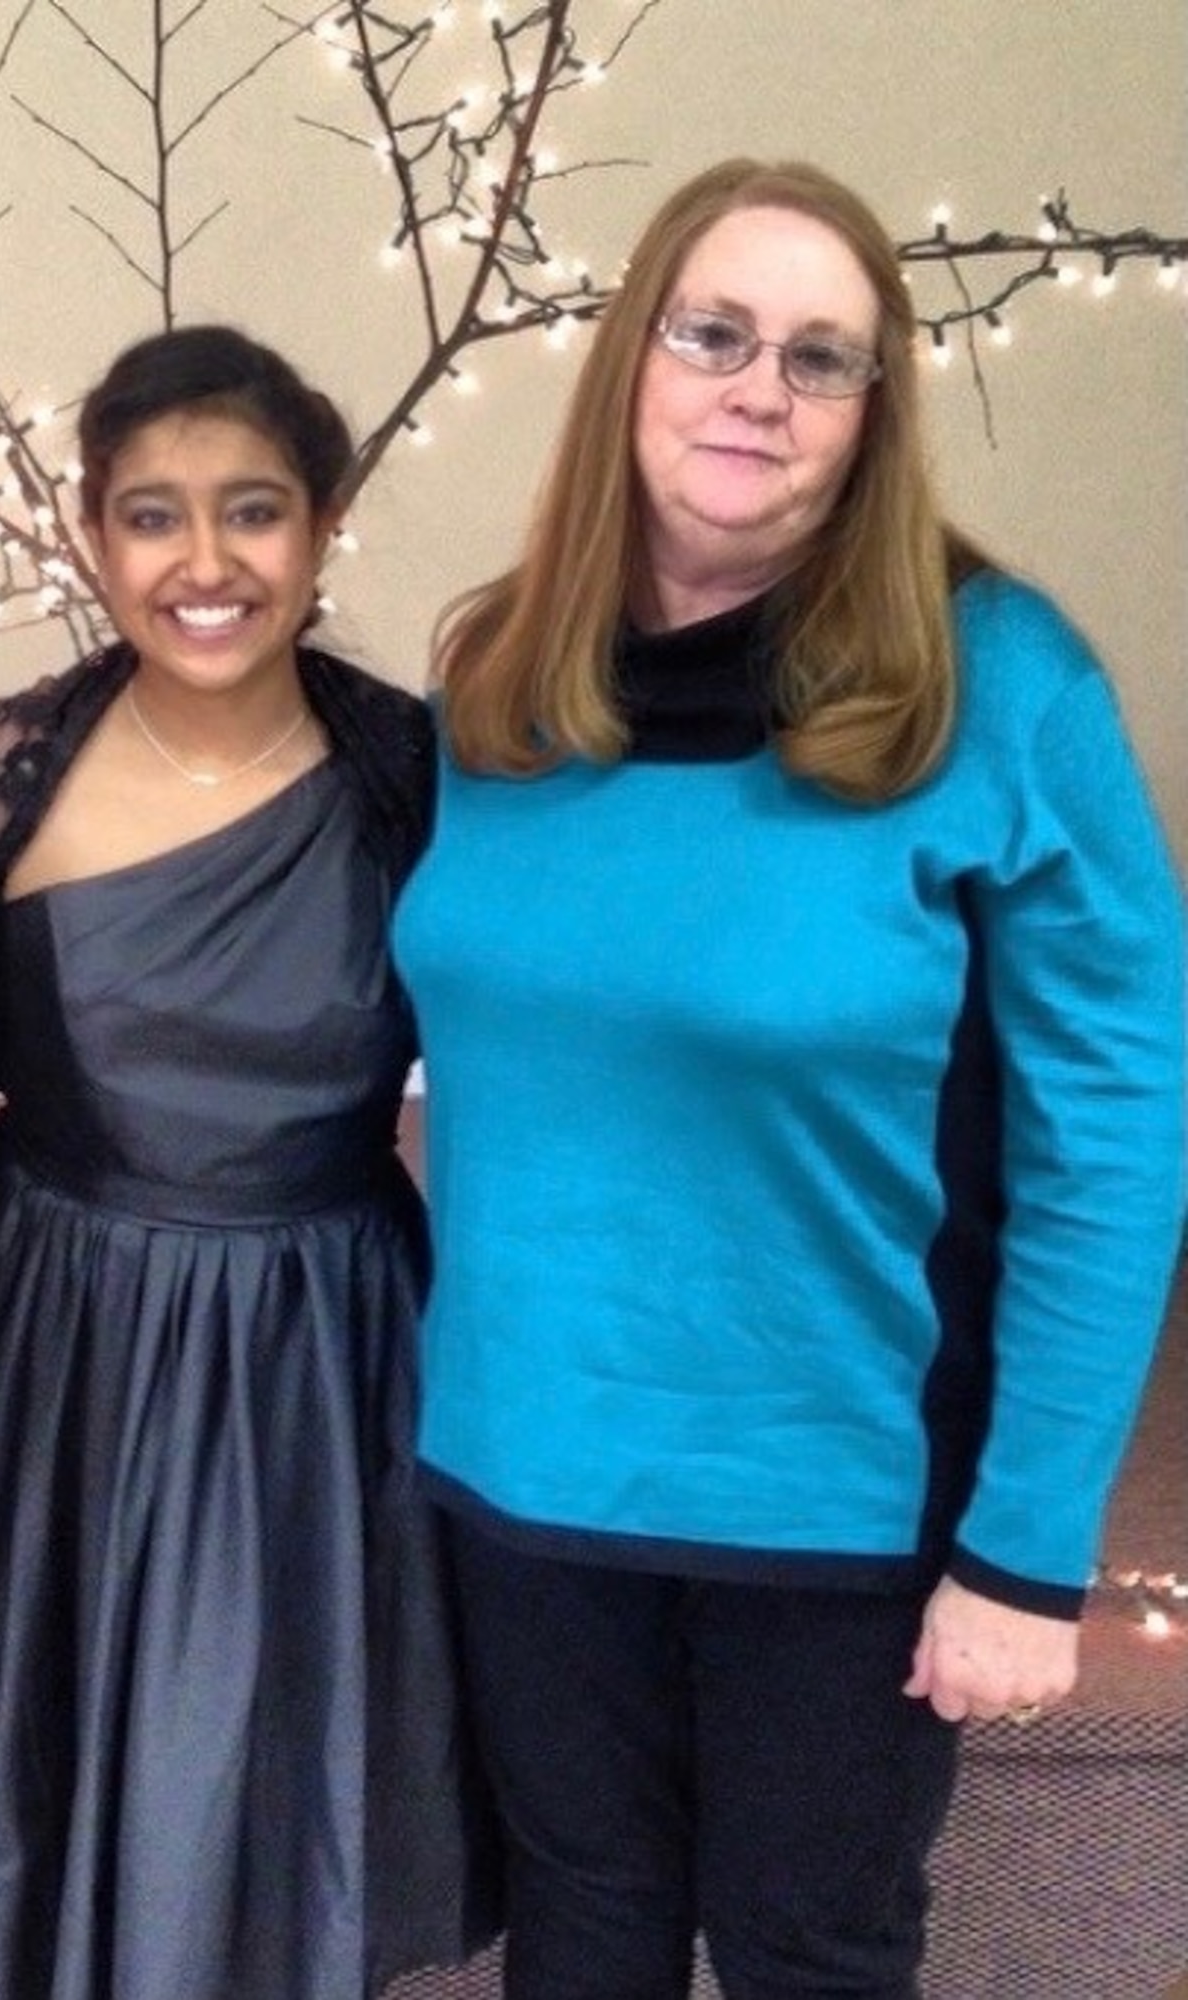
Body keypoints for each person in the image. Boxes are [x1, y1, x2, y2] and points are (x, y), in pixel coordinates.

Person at [392, 157, 1185, 1998]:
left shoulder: (998, 684)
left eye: (820, 359)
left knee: (805, 1952)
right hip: (527, 1469)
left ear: (869, 414)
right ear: (635, 365)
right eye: (716, 333)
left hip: (838, 1494)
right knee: (576, 1935)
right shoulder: (500, 675)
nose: (758, 386)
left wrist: (1027, 1546)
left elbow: (1110, 1133)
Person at [0, 324, 498, 2000]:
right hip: (58, 1348)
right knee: (48, 1794)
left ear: (322, 527)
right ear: (90, 533)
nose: (203, 564)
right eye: (152, 516)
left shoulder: (423, 773)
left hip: (323, 1352)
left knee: (277, 1796)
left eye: (251, 513)